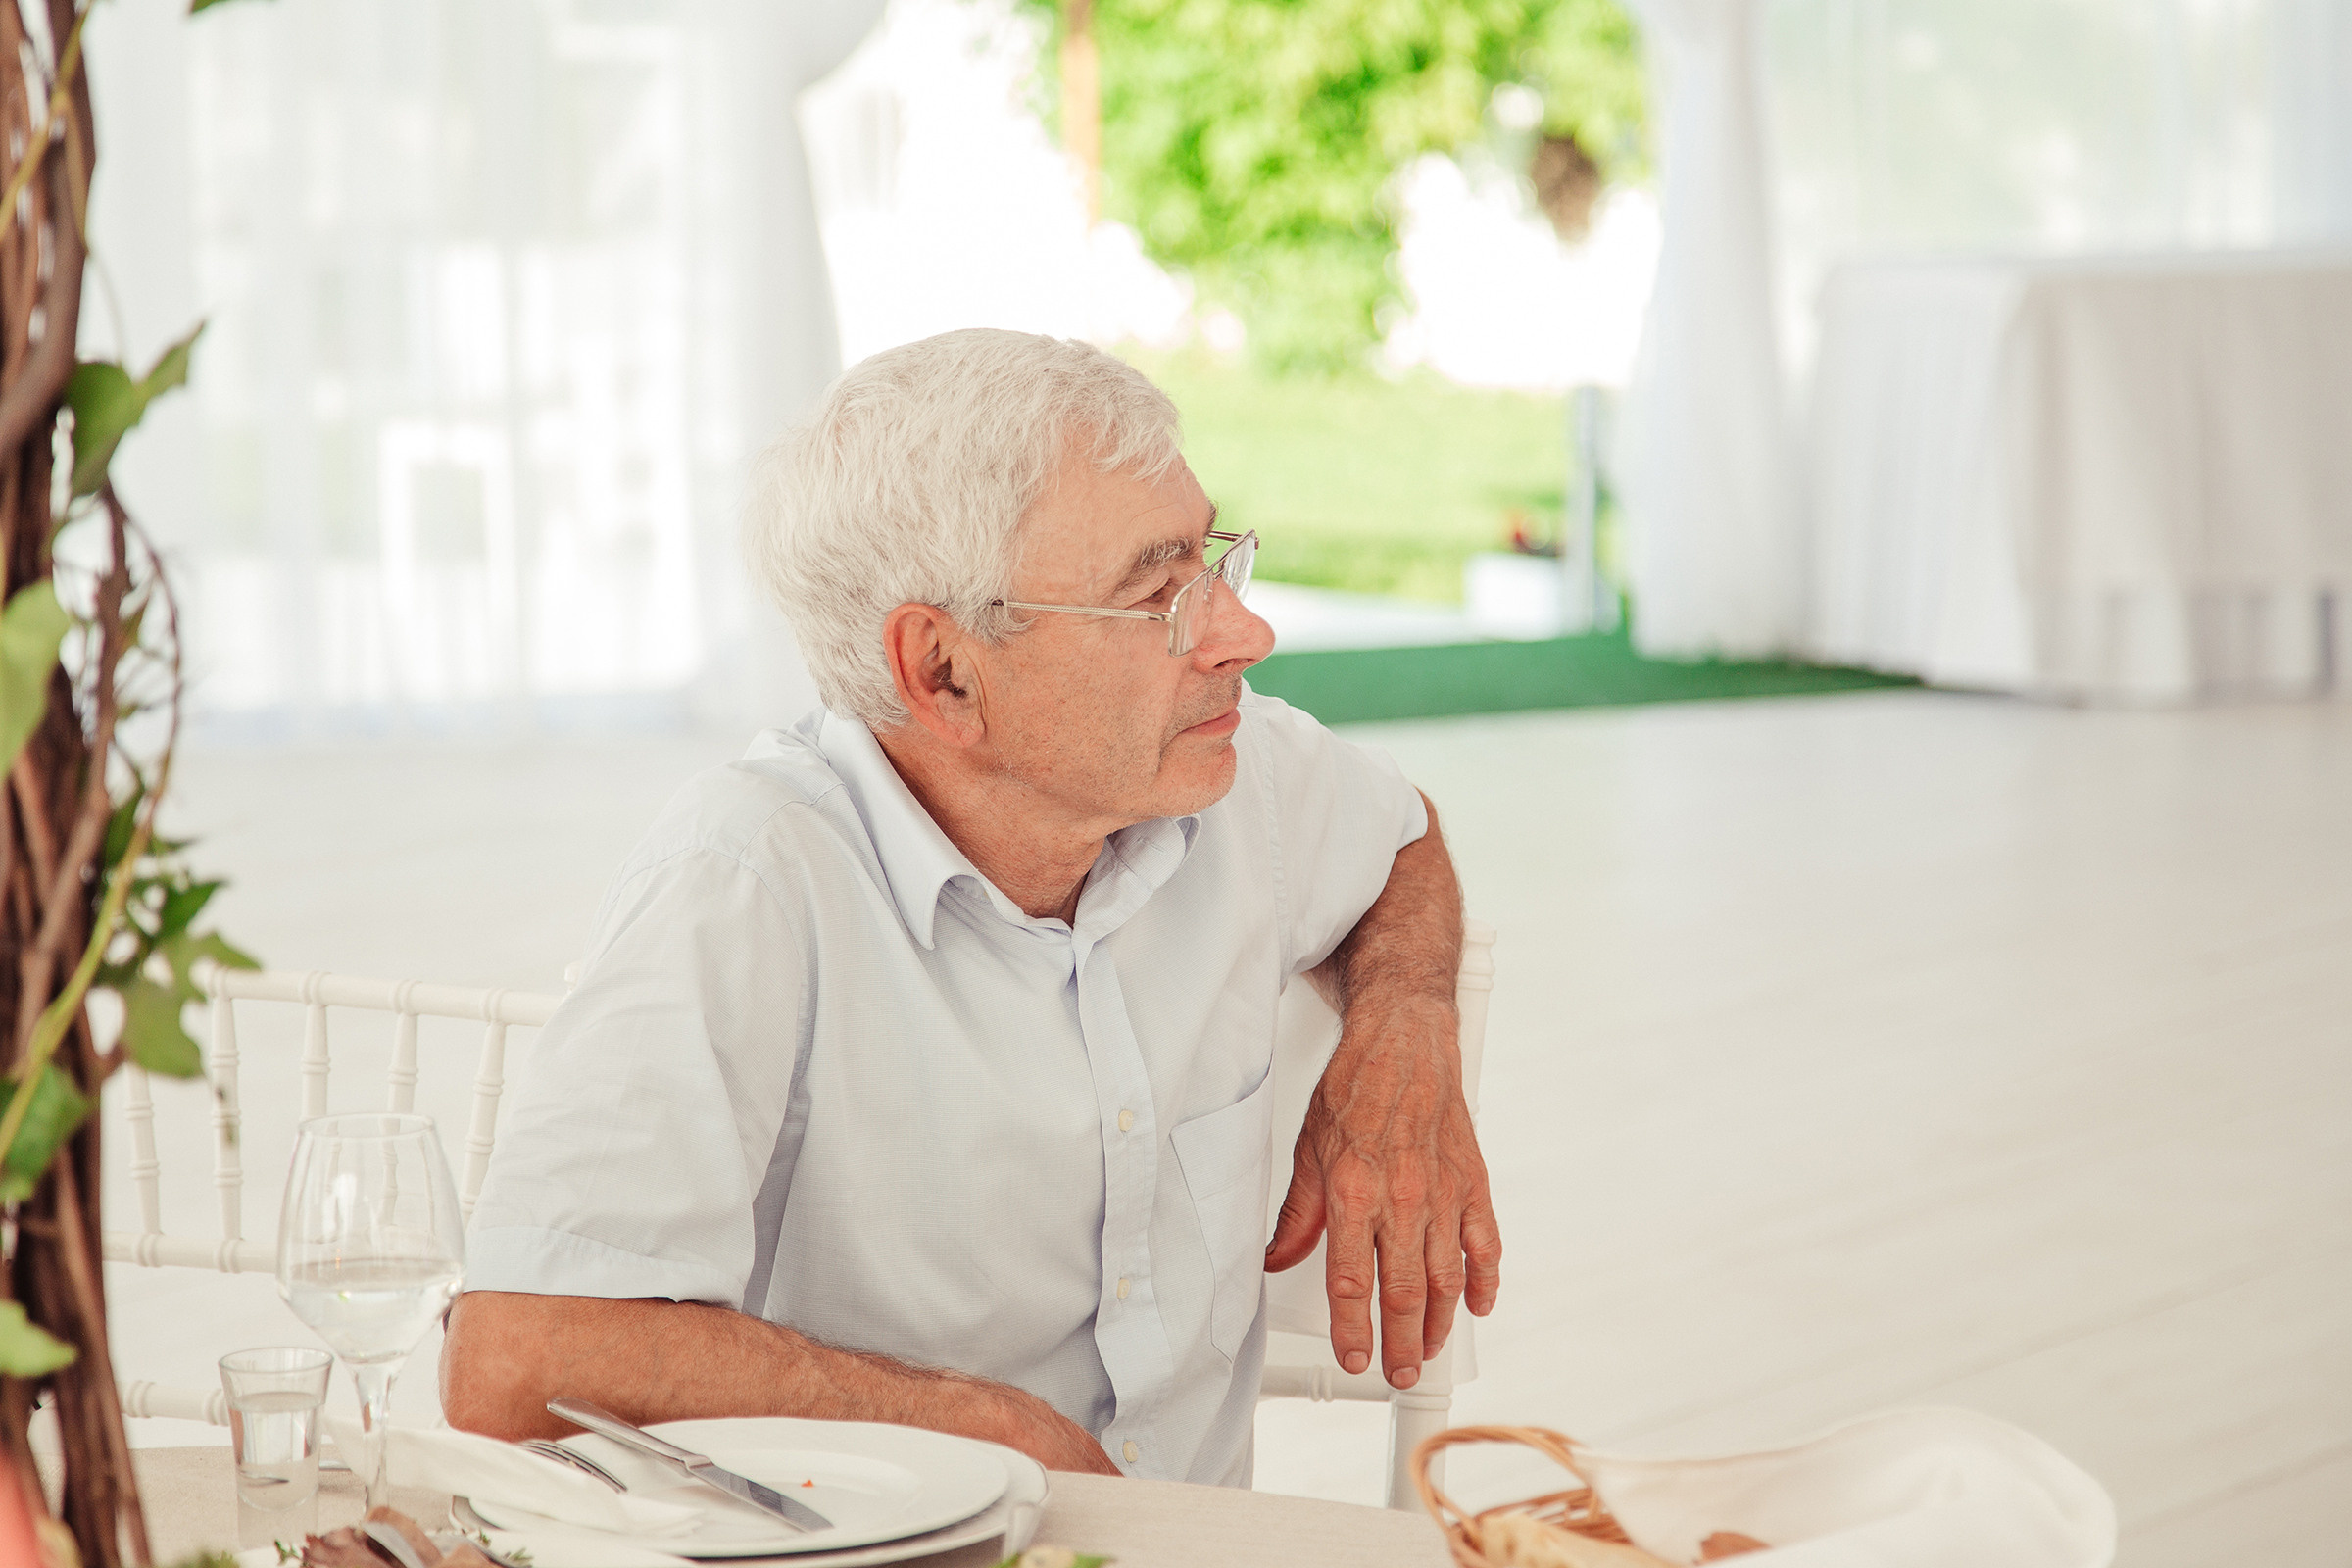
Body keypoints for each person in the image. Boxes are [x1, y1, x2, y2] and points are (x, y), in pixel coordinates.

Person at [439, 329, 1499, 1485]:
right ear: (943, 670)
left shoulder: (1231, 771)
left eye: (1212, 559)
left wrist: (1404, 1026)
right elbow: (515, 1358)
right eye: (1157, 593)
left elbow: (1406, 836)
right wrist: (984, 1432)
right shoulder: (746, 876)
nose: (1243, 635)